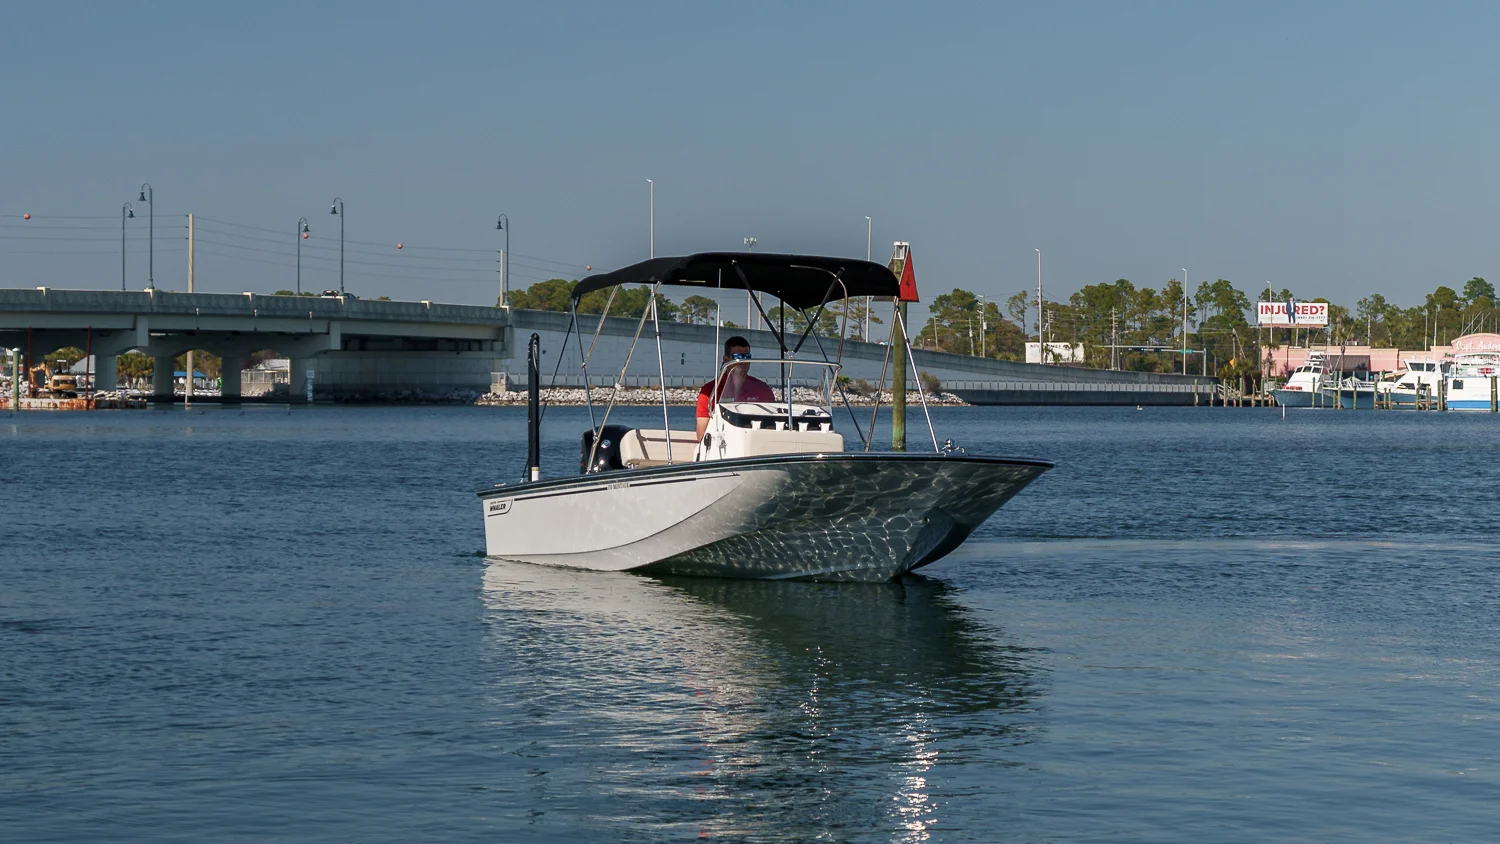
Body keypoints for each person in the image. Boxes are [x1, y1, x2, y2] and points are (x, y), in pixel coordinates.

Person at [696, 336, 775, 440]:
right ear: (725, 359)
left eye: (747, 356)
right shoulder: (710, 391)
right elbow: (702, 435)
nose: (743, 361)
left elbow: (772, 426)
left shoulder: (762, 389)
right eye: (738, 356)